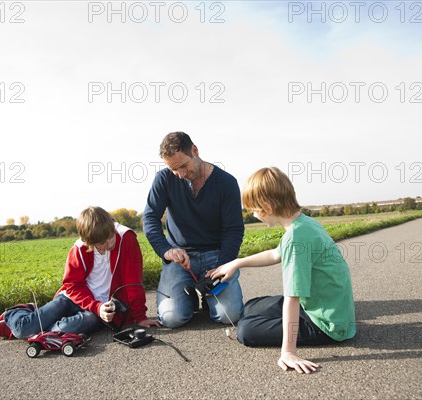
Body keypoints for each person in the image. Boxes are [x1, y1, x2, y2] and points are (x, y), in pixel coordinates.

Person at [208, 167, 356, 374]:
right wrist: (237, 263)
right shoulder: (304, 224)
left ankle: (286, 340)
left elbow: (293, 297)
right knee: (250, 307)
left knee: (245, 330)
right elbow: (275, 254)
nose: (253, 214)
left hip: (326, 325)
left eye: (254, 209)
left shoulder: (296, 238)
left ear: (267, 207)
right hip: (320, 306)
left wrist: (288, 351)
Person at [0, 206, 159, 340]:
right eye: (102, 243)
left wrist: (140, 316)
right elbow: (72, 286)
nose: (109, 244)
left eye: (110, 237)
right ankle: (16, 314)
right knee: (23, 330)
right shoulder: (79, 249)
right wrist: (95, 305)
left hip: (100, 311)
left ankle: (35, 331)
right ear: (89, 242)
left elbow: (133, 282)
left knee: (70, 328)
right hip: (72, 298)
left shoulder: (126, 238)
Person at [143, 132, 244, 328]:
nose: (180, 174)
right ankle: (189, 296)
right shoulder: (163, 179)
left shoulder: (227, 183)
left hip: (216, 255)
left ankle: (208, 298)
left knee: (229, 316)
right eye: (174, 169)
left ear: (195, 151)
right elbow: (149, 218)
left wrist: (223, 265)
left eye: (183, 166)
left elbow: (233, 230)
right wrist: (166, 250)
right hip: (180, 257)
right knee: (172, 318)